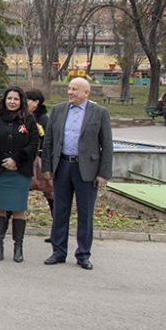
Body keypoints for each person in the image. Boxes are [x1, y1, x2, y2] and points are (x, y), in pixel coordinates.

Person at [42, 77, 113, 270]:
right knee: (60, 211)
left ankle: (83, 254)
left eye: (75, 89)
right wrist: (47, 167)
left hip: (87, 170)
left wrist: (104, 174)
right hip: (63, 166)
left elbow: (106, 145)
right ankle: (58, 251)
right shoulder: (58, 110)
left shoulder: (99, 113)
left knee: (85, 213)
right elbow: (48, 142)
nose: (70, 92)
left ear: (86, 93)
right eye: (69, 88)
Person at [0, 87, 39, 262]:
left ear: (21, 101)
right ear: (4, 100)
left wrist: (16, 160)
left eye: (16, 99)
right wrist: (3, 159)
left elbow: (33, 143)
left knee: (19, 208)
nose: (12, 101)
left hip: (20, 171)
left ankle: (18, 247)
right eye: (9, 98)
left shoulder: (28, 119)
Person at [25, 88, 54, 242]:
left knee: (49, 193)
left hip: (40, 162)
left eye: (27, 99)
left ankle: (56, 229)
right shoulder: (22, 116)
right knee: (20, 190)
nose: (24, 102)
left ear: (36, 102)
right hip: (27, 162)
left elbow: (47, 140)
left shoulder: (43, 119)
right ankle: (3, 221)